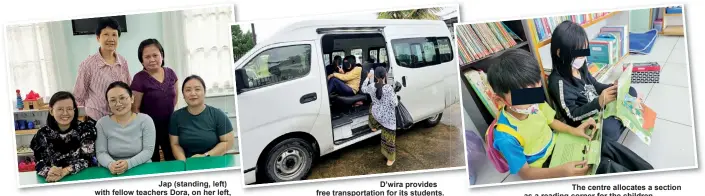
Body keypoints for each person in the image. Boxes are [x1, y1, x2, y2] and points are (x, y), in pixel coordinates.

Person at [486, 49, 651, 180]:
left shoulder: (533, 100)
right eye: (523, 94)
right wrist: (561, 172)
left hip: (561, 143)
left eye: (536, 86)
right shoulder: (506, 137)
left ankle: (649, 173)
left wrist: (575, 130)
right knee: (604, 166)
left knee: (605, 144)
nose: (533, 97)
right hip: (548, 166)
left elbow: (551, 121)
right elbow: (526, 174)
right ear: (500, 100)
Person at [546, 21, 638, 142]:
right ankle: (623, 118)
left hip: (599, 105)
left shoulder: (580, 65)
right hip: (585, 118)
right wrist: (599, 102)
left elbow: (594, 85)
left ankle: (620, 119)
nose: (583, 57)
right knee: (608, 132)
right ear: (559, 53)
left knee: (631, 90)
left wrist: (614, 88)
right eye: (578, 53)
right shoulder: (557, 82)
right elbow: (572, 116)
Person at [30, 92, 97, 182]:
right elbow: (39, 163)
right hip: (53, 179)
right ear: (51, 111)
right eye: (60, 109)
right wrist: (49, 172)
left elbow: (88, 160)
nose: (65, 113)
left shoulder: (85, 130)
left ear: (74, 110)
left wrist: (65, 171)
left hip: (81, 177)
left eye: (69, 108)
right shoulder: (42, 134)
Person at [74, 17, 131, 121]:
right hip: (97, 121)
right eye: (106, 34)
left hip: (121, 120)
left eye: (114, 35)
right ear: (98, 38)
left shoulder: (123, 62)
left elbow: (128, 89)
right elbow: (79, 96)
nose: (111, 39)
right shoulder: (87, 65)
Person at [130, 38, 178, 162]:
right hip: (149, 128)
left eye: (155, 55)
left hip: (170, 125)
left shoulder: (171, 73)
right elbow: (135, 108)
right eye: (147, 57)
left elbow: (175, 97)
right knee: (153, 160)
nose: (152, 59)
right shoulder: (139, 78)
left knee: (172, 157)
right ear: (141, 60)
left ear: (162, 55)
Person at [169, 75, 235, 160]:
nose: (193, 93)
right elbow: (175, 144)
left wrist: (205, 156)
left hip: (213, 160)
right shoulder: (176, 116)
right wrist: (184, 163)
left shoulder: (218, 114)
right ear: (183, 95)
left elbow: (228, 141)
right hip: (187, 163)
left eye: (197, 89)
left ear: (204, 92)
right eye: (188, 90)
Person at [96, 82, 156, 175]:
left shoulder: (145, 120)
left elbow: (148, 151)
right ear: (108, 103)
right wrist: (110, 164)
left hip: (142, 168)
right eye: (113, 100)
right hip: (112, 171)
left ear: (132, 98)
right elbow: (101, 152)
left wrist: (128, 164)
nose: (118, 103)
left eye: (122, 98)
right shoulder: (101, 124)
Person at [361, 66, 398, 166]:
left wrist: (368, 77)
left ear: (375, 76)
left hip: (377, 115)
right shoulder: (389, 89)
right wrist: (395, 94)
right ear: (385, 75)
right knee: (389, 137)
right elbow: (395, 103)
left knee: (372, 105)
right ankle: (390, 159)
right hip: (387, 120)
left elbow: (363, 89)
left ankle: (373, 127)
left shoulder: (372, 86)